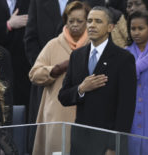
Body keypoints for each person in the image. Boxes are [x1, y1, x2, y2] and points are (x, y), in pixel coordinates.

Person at [58, 6, 137, 155]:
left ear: (110, 27)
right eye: (89, 21)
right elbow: (63, 96)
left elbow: (126, 108)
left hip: (107, 142)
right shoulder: (77, 56)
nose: (92, 25)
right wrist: (81, 89)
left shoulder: (124, 59)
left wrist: (114, 146)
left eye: (98, 21)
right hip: (80, 141)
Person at [29, 2, 90, 155]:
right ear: (65, 21)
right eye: (71, 21)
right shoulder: (53, 44)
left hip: (87, 115)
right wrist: (55, 70)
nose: (75, 25)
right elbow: (34, 74)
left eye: (80, 21)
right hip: (57, 115)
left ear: (88, 22)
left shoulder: (94, 45)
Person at [126, 10, 148, 155]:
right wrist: (135, 69)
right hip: (130, 120)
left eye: (141, 28)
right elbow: (117, 86)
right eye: (133, 28)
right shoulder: (123, 54)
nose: (136, 32)